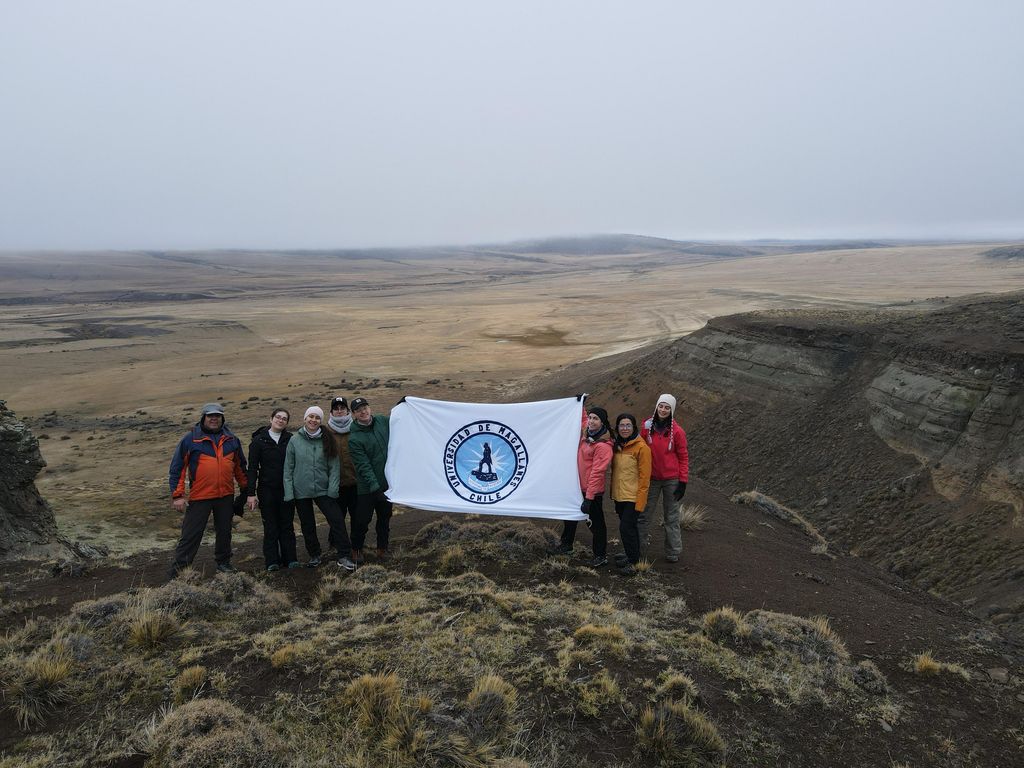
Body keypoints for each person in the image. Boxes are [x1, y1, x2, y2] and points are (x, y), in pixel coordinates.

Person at [167, 402, 248, 577]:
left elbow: (240, 467)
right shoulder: (191, 439)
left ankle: (224, 563)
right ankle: (180, 569)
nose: (214, 419)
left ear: (222, 418)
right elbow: (177, 468)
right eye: (210, 416)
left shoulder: (232, 440)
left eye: (217, 416)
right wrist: (178, 495)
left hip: (225, 495)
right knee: (191, 535)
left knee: (225, 532)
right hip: (200, 496)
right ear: (203, 417)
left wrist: (247, 490)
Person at [283, 406, 356, 571]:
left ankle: (344, 555)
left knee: (337, 520)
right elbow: (288, 468)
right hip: (301, 490)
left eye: (317, 417)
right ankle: (314, 555)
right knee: (307, 525)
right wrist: (289, 493)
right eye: (310, 417)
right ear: (305, 419)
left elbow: (334, 466)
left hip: (324, 490)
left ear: (320, 421)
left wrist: (332, 489)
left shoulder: (327, 438)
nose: (313, 420)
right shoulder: (294, 440)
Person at [554, 406, 614, 567]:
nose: (591, 421)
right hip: (577, 488)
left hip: (591, 492)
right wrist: (581, 405)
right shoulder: (587, 436)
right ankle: (566, 545)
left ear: (603, 423)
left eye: (596, 419)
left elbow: (597, 472)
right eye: (591, 418)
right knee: (570, 517)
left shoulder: (603, 446)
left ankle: (600, 555)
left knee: (595, 523)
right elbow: (583, 421)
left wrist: (589, 498)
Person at [246, 407, 300, 572]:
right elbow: (253, 468)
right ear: (271, 419)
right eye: (278, 417)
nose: (281, 420)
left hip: (286, 489)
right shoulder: (258, 441)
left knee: (287, 525)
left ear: (287, 423)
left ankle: (290, 559)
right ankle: (272, 561)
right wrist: (251, 494)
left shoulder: (291, 440)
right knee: (270, 526)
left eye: (284, 419)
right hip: (267, 489)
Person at [639, 394, 690, 563]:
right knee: (644, 514)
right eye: (661, 406)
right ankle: (639, 547)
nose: (663, 410)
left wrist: (683, 482)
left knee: (671, 516)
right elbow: (639, 447)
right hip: (651, 478)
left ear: (672, 410)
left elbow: (683, 457)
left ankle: (673, 551)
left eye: (667, 407)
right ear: (656, 406)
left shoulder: (678, 432)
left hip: (671, 480)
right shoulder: (647, 426)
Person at [348, 397, 392, 562]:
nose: (363, 412)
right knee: (362, 520)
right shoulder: (354, 438)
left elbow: (400, 421)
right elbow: (363, 466)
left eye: (365, 408)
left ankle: (382, 549)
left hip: (387, 483)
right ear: (354, 414)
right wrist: (375, 487)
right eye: (359, 410)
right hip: (367, 489)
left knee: (385, 517)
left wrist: (405, 405)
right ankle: (356, 549)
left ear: (369, 408)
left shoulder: (382, 421)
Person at [610, 413, 652, 575]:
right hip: (619, 495)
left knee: (626, 528)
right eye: (622, 425)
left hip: (633, 497)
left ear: (634, 427)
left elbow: (644, 478)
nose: (625, 428)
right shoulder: (618, 446)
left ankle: (634, 563)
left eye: (628, 425)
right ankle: (631, 555)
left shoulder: (642, 448)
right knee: (630, 528)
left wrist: (640, 502)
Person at [324, 396, 358, 555]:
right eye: (336, 408)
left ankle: (356, 546)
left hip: (356, 482)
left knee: (358, 517)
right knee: (337, 519)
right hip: (335, 484)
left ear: (347, 410)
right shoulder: (325, 432)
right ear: (331, 412)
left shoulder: (356, 428)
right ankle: (334, 545)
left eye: (342, 408)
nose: (339, 411)